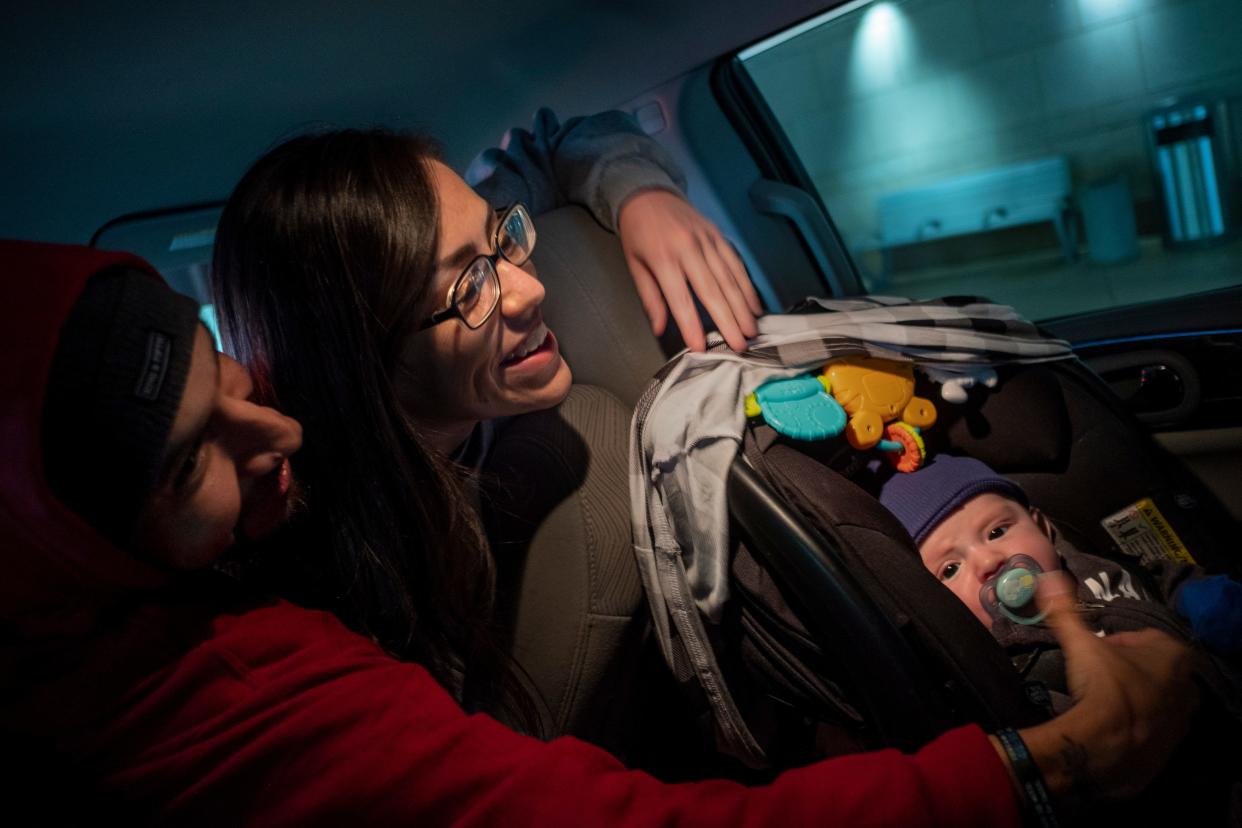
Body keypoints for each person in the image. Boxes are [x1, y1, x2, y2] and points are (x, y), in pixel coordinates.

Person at [0, 238, 1200, 826]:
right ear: (68, 547)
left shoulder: (272, 451)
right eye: (190, 469)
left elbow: (537, 132)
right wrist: (1052, 765)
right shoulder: (215, 702)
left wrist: (626, 173)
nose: (277, 436)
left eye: (230, 375)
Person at [209, 112, 756, 732]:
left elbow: (551, 141)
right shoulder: (354, 603)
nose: (527, 290)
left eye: (503, 238)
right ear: (365, 361)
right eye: (468, 289)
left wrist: (642, 196)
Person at [878, 455, 1242, 660]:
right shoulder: (1007, 663)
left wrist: (1194, 596)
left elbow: (1155, 578)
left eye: (997, 531)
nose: (988, 561)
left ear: (1042, 527)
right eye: (951, 569)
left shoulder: (1092, 566)